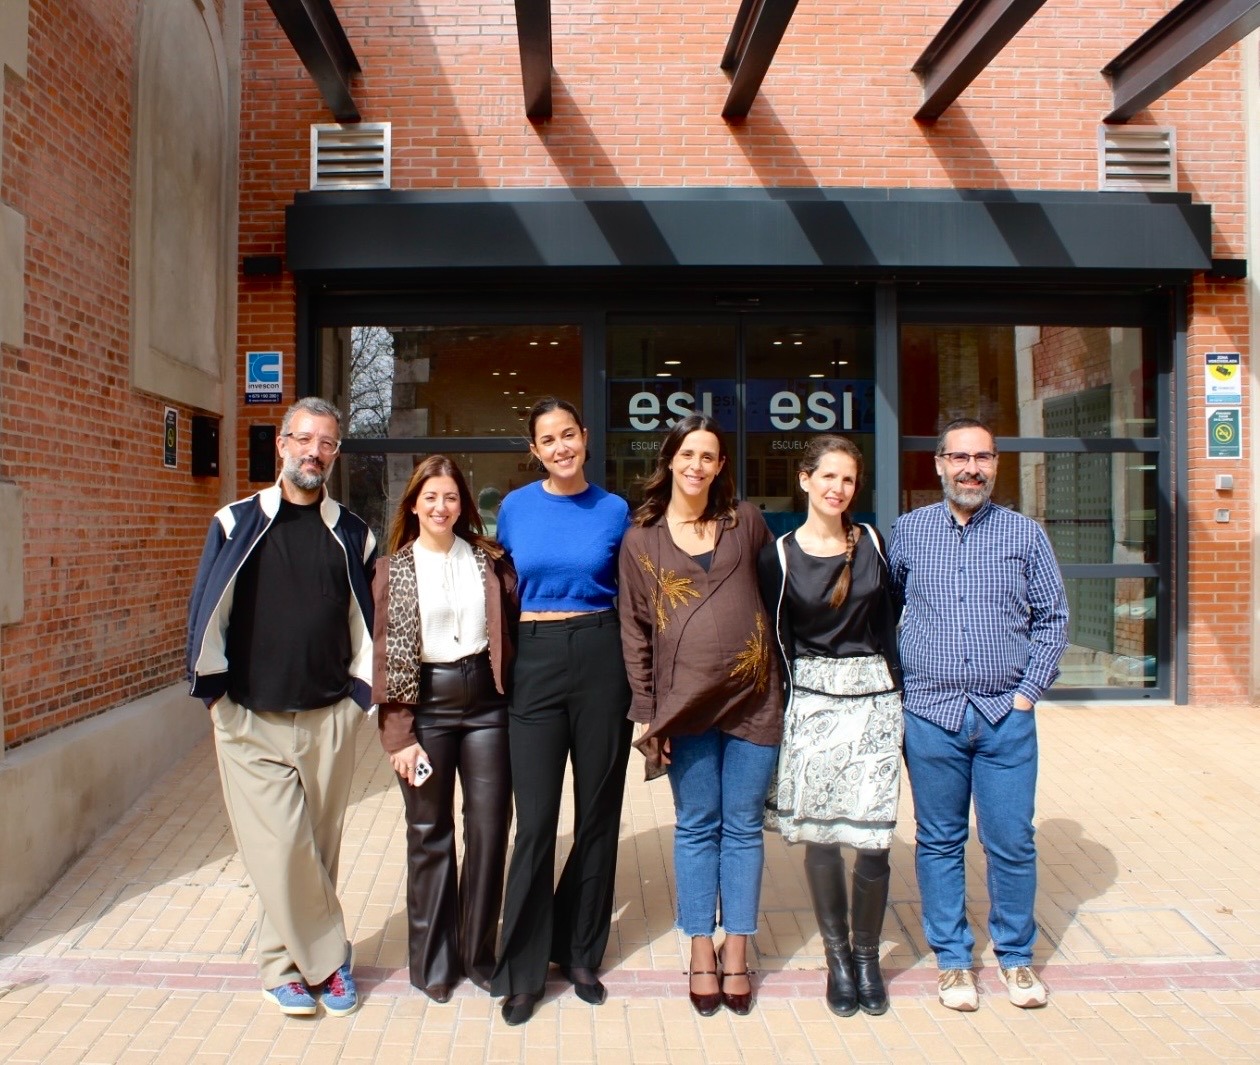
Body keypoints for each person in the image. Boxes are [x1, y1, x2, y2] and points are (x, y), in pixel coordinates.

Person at [186, 397, 374, 1017]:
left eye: (326, 443)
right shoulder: (235, 522)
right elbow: (206, 610)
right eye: (304, 439)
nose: (313, 452)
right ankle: (331, 963)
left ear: (335, 454)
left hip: (329, 718)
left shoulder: (353, 532)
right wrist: (215, 698)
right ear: (282, 445)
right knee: (280, 848)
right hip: (249, 719)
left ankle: (280, 967)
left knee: (315, 851)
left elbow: (366, 620)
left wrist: (360, 697)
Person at [888, 417, 1068, 1013]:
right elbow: (885, 611)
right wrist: (903, 687)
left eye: (982, 458)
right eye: (960, 457)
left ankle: (1015, 957)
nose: (971, 469)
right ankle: (953, 961)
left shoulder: (1025, 535)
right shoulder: (909, 532)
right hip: (930, 714)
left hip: (1004, 716)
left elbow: (1053, 618)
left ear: (995, 464)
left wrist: (1028, 693)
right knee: (939, 840)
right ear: (939, 463)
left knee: (1011, 840)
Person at [618, 413, 782, 1018]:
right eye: (687, 454)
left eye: (708, 456)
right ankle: (698, 948)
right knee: (695, 825)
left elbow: (777, 596)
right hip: (682, 705)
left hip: (753, 698)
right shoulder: (642, 539)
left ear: (720, 466)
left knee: (741, 826)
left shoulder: (747, 523)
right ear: (669, 460)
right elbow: (635, 630)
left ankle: (736, 946)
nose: (696, 465)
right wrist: (647, 712)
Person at [489, 397, 634, 1026]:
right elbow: (498, 589)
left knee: (598, 814)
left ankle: (579, 953)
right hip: (536, 660)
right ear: (535, 450)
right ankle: (523, 969)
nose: (560, 447)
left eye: (568, 434)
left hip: (602, 655)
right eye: (547, 439)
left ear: (585, 437)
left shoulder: (615, 509)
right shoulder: (516, 508)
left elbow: (634, 594)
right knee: (536, 821)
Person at [757, 435, 903, 1017]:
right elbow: (776, 640)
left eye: (847, 479)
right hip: (813, 703)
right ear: (805, 480)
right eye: (828, 477)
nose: (837, 488)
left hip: (874, 700)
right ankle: (838, 958)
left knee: (874, 840)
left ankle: (867, 958)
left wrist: (899, 690)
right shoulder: (779, 555)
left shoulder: (872, 542)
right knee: (821, 837)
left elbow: (891, 619)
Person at [370, 456, 519, 1003]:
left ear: (464, 505)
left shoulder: (490, 560)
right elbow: (384, 656)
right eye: (430, 497)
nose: (441, 507)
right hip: (426, 709)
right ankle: (433, 962)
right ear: (413, 504)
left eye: (451, 497)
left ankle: (478, 955)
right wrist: (398, 735)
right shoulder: (392, 569)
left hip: (486, 708)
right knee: (429, 833)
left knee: (488, 828)